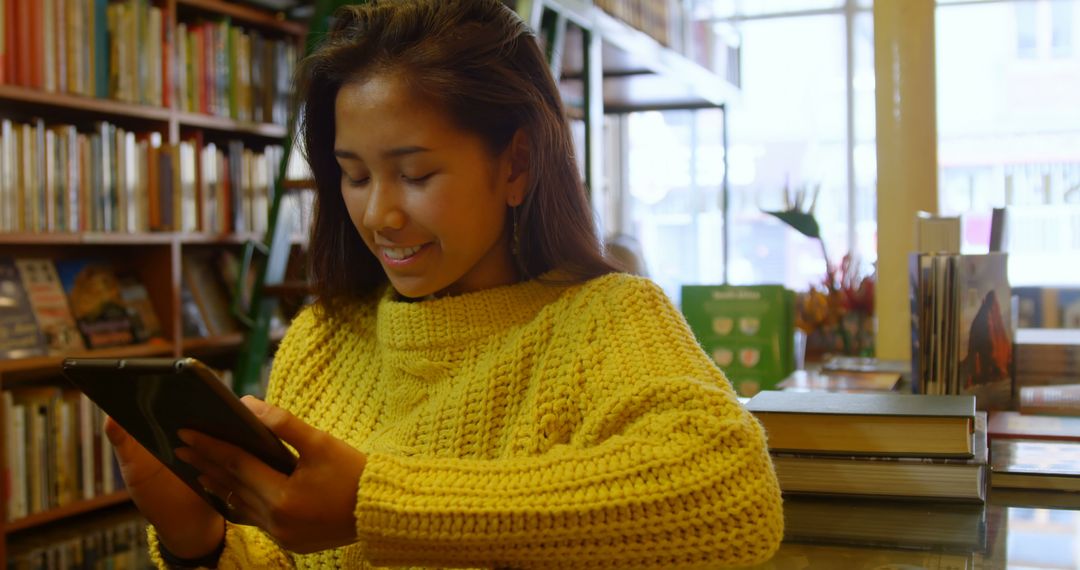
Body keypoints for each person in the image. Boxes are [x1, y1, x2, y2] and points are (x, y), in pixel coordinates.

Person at [105, 1, 784, 567]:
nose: (379, 215)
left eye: (417, 174)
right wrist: (199, 541)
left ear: (516, 163)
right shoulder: (323, 341)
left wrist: (376, 503)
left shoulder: (607, 320)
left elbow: (734, 497)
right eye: (355, 175)